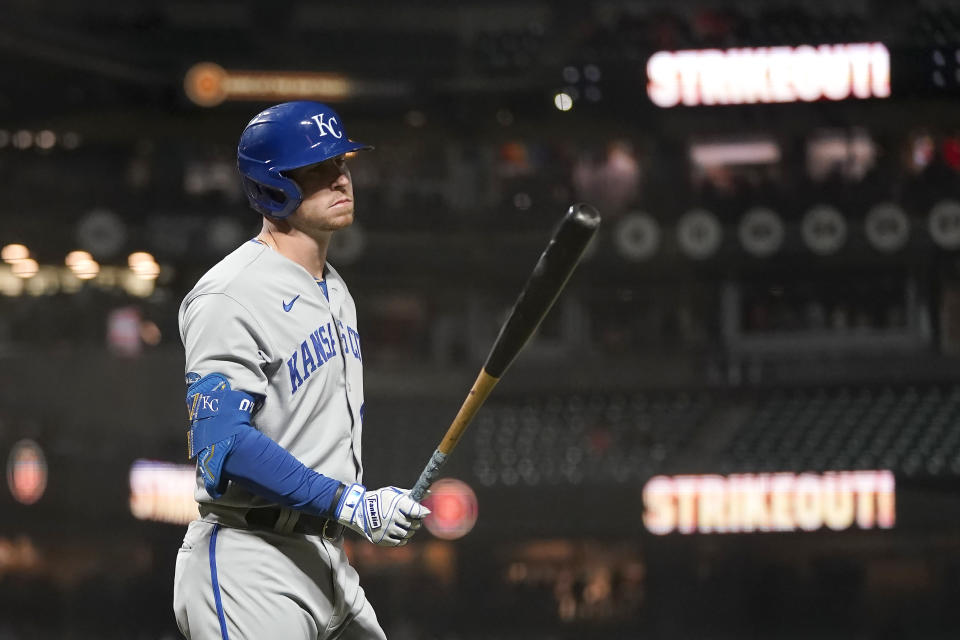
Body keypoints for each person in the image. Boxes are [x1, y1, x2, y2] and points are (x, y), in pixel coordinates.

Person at [173, 101, 430, 640]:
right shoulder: (229, 293)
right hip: (250, 561)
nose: (341, 179)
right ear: (271, 188)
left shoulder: (336, 289)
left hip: (326, 556)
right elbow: (223, 443)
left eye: (342, 162)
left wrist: (354, 504)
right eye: (317, 170)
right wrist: (349, 502)